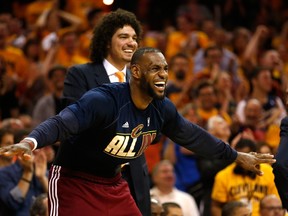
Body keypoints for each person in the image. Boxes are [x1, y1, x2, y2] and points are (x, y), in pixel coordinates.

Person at [0, 47, 276, 216]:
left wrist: (235, 154)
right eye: (155, 68)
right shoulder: (103, 100)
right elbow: (62, 123)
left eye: (166, 69)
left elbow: (193, 135)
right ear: (136, 71)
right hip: (75, 183)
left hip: (113, 185)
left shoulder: (162, 109)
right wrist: (30, 141)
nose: (163, 74)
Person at [61, 8, 151, 216]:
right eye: (123, 36)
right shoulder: (80, 75)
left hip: (134, 176)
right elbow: (72, 126)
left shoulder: (143, 80)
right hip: (90, 178)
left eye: (134, 38)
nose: (132, 43)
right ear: (106, 41)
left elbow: (156, 128)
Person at [211, 138, 279, 216]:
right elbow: (216, 206)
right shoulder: (223, 175)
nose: (242, 160)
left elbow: (276, 203)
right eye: (239, 156)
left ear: (255, 155)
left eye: (246, 156)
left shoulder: (269, 172)